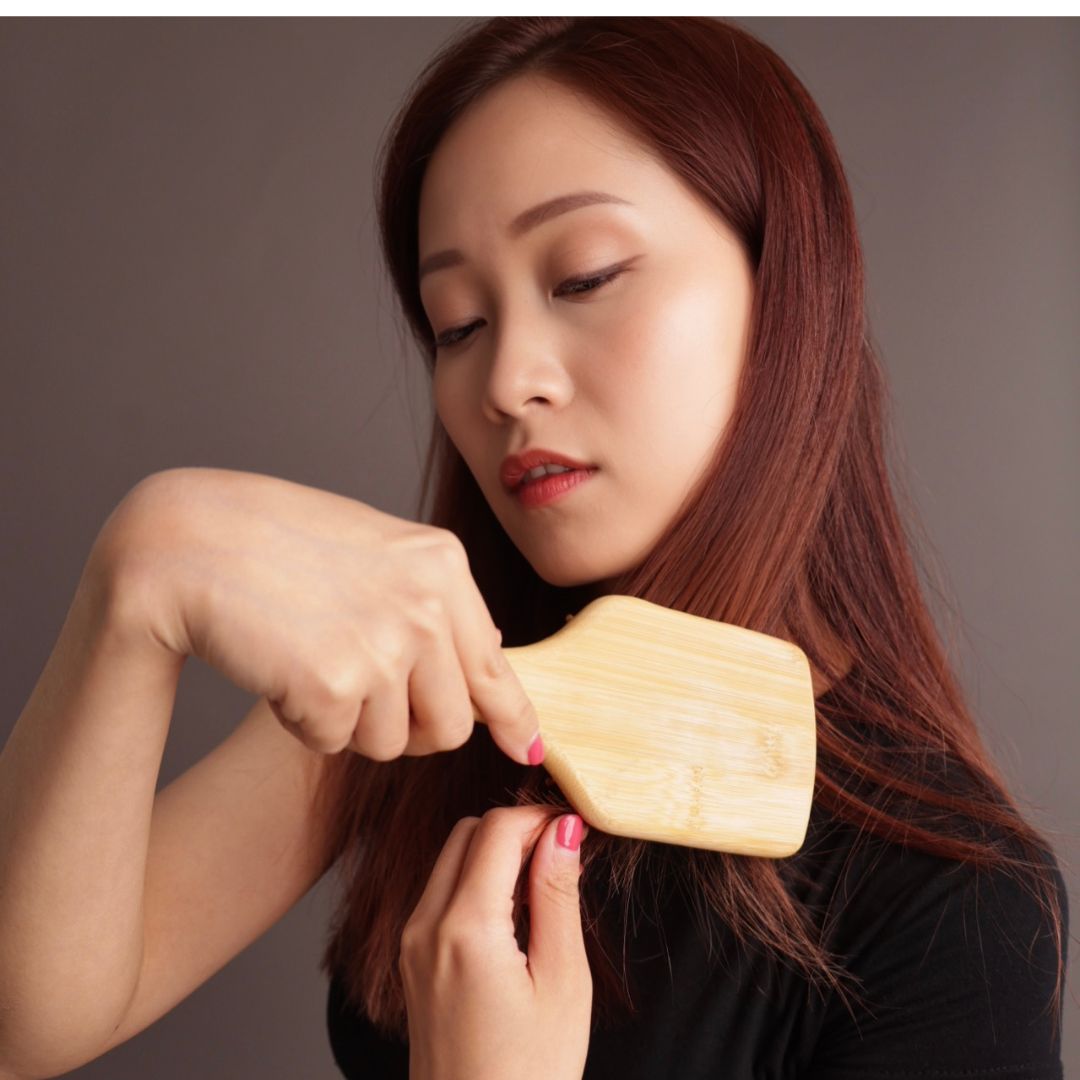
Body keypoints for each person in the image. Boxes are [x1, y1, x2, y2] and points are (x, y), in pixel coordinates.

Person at [0, 16, 1067, 1080]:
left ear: (785, 288)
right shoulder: (424, 689)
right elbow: (24, 1023)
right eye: (456, 324)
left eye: (588, 276)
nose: (506, 381)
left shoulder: (959, 912)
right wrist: (140, 573)